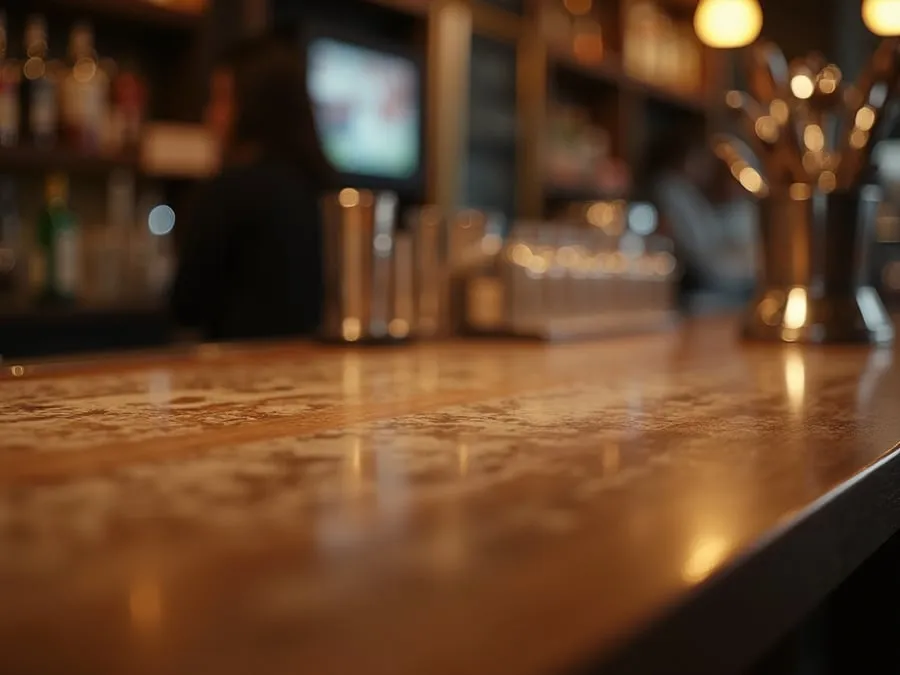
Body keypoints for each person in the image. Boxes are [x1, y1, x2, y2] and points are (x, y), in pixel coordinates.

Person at [170, 34, 336, 341]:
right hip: (314, 370)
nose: (210, 115)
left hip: (236, 375)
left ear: (254, 106)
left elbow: (186, 306)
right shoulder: (324, 189)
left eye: (220, 99)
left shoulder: (231, 190)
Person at [643, 129, 757, 299]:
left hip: (730, 290)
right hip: (700, 289)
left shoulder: (739, 209)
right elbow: (705, 261)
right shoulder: (674, 191)